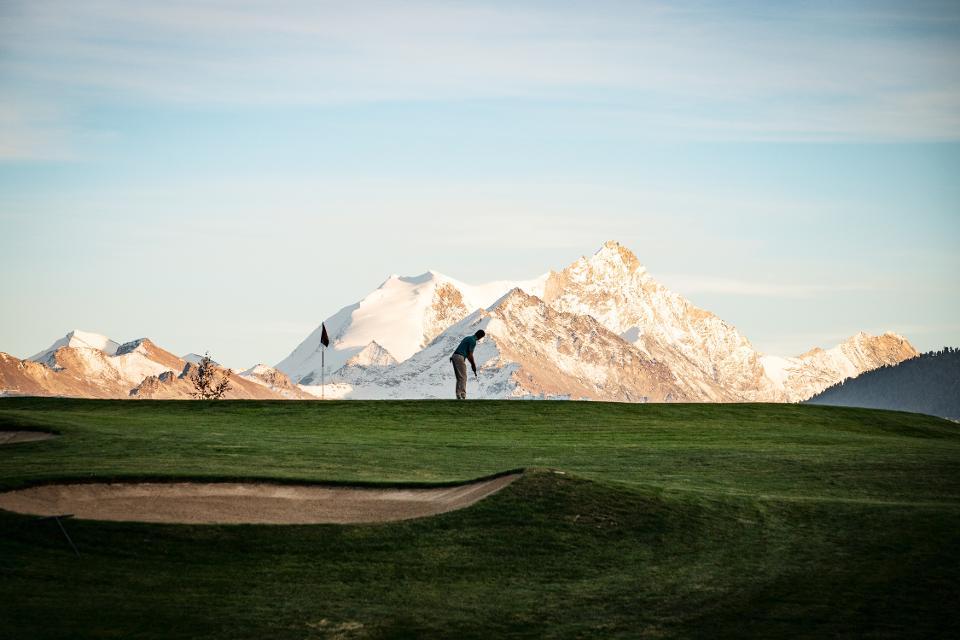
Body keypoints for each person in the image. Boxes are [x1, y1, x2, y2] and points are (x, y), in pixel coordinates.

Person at [450, 329, 485, 399]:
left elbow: (467, 354)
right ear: (480, 337)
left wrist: (472, 364)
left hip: (454, 357)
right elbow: (470, 355)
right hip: (460, 357)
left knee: (460, 377)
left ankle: (459, 394)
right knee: (463, 377)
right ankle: (462, 394)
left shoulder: (468, 338)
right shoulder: (473, 341)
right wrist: (473, 365)